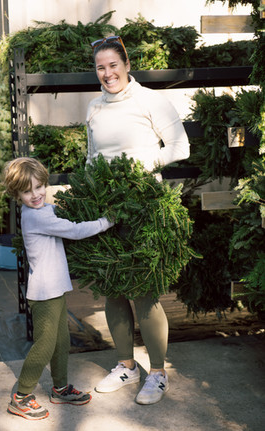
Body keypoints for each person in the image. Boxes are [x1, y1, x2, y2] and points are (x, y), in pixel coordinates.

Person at [86, 36, 190, 405]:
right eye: (100, 67)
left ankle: (158, 373)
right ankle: (127, 365)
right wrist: (88, 191)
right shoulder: (94, 107)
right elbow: (92, 156)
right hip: (105, 207)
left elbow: (180, 147)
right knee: (112, 287)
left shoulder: (151, 101)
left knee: (144, 289)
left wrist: (141, 165)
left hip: (144, 205)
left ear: (127, 65)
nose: (107, 73)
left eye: (113, 64)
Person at [1, 157, 114, 420]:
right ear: (17, 194)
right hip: (44, 293)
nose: (36, 194)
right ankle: (21, 396)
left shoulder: (43, 211)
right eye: (27, 191)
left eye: (39, 186)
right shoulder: (34, 216)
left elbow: (52, 211)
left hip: (56, 288)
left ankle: (60, 388)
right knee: (45, 343)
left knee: (61, 340)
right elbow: (74, 230)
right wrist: (106, 221)